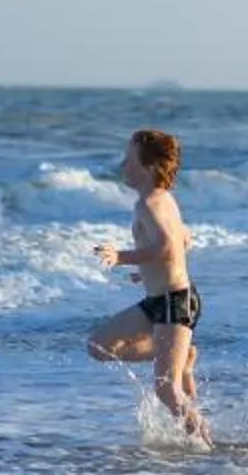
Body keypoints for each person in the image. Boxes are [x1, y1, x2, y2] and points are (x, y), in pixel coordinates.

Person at [87, 128, 211, 441]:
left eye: (129, 160)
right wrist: (147, 271)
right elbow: (184, 238)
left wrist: (121, 256)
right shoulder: (161, 200)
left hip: (175, 302)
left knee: (166, 389)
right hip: (161, 298)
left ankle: (205, 445)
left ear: (150, 167)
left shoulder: (151, 204)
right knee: (99, 346)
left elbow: (170, 247)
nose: (123, 166)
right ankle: (181, 357)